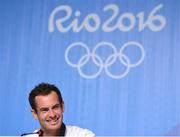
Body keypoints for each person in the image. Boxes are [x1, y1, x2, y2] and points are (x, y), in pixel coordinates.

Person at [22, 83, 95, 137]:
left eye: (55, 107)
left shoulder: (84, 135)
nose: (52, 115)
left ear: (62, 106)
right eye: (45, 110)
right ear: (35, 114)